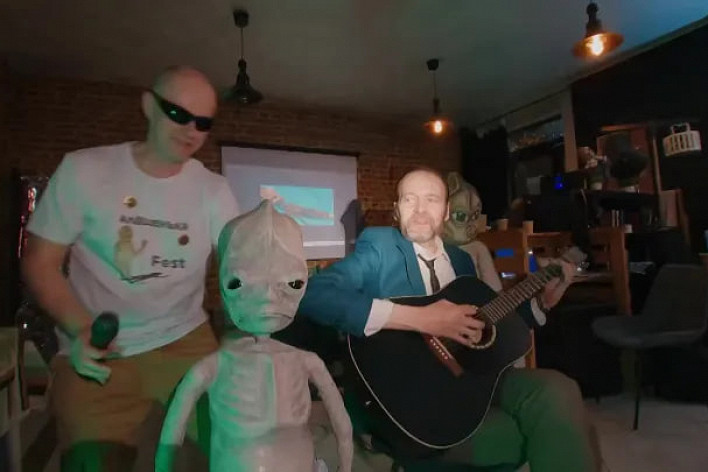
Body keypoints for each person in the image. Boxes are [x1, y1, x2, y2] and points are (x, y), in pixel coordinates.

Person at [297, 167, 600, 471]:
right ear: (397, 211)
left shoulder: (461, 260)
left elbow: (487, 322)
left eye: (431, 199)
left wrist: (542, 303)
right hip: (407, 396)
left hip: (468, 380)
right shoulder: (379, 248)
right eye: (409, 199)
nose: (419, 210)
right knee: (535, 434)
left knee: (557, 390)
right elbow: (314, 294)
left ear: (445, 212)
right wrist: (421, 318)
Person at [21, 66, 239, 471]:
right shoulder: (84, 170)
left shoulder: (214, 190)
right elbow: (40, 260)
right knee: (92, 459)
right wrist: (80, 329)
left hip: (185, 338)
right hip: (99, 341)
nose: (191, 129)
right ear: (148, 106)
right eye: (178, 114)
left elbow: (238, 264)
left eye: (203, 122)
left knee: (220, 452)